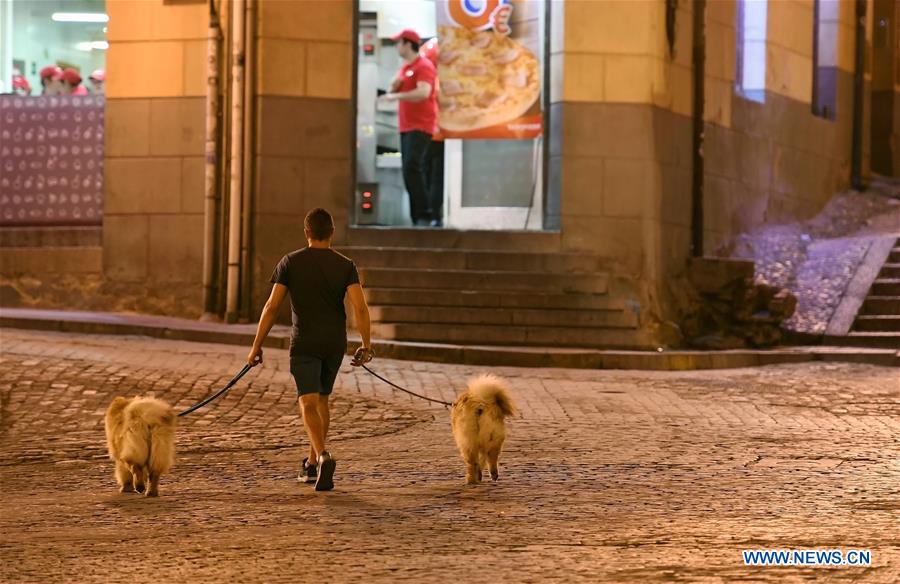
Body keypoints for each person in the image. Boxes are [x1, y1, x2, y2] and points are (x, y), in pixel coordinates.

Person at [246, 208, 374, 492]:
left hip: (304, 342)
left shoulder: (290, 262)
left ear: (306, 232)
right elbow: (360, 308)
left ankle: (323, 455)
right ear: (332, 233)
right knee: (322, 400)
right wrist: (366, 345)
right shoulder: (346, 265)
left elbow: (272, 306)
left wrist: (256, 345)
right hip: (334, 342)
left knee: (307, 402)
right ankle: (313, 461)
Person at [379, 29, 437, 227]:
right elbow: (391, 90)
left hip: (421, 125)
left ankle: (425, 215)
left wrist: (396, 96)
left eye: (398, 43)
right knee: (409, 171)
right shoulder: (405, 68)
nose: (396, 46)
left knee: (413, 167)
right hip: (406, 126)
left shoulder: (424, 66)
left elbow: (424, 93)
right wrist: (393, 87)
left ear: (407, 44)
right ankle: (417, 217)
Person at [420, 37, 444, 228]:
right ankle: (435, 215)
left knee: (427, 176)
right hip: (441, 135)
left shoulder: (425, 79)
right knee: (437, 177)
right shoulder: (445, 81)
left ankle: (428, 214)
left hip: (426, 133)